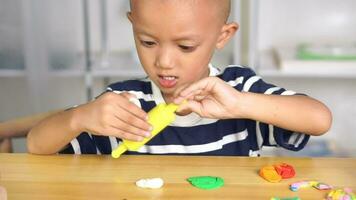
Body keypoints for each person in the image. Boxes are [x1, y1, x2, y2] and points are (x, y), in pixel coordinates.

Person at [27, 0, 332, 156]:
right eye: (147, 42)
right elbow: (36, 146)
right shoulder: (125, 103)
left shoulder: (240, 91)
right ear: (133, 25)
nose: (163, 61)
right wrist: (77, 119)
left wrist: (240, 105)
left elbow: (319, 119)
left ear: (222, 36)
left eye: (185, 46)